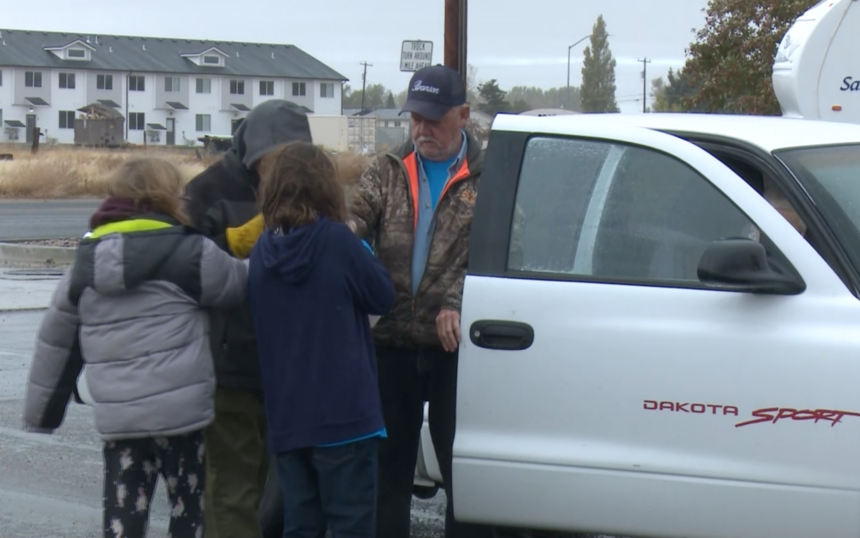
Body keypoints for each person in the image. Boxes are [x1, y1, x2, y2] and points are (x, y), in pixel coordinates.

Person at [22, 157, 249, 538]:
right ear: (170, 199)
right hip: (182, 420)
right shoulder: (193, 255)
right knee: (188, 515)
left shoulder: (86, 264)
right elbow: (240, 285)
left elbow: (56, 343)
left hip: (123, 424)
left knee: (123, 522)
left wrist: (41, 415)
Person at [347, 64, 494, 538]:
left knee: (462, 476)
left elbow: (501, 254)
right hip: (390, 343)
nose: (422, 128)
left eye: (434, 118)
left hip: (455, 351)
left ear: (464, 115)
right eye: (415, 117)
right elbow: (352, 224)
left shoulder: (488, 179)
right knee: (388, 476)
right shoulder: (387, 170)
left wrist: (457, 300)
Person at [246, 141, 395, 537]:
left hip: (289, 418)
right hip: (346, 419)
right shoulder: (338, 242)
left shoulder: (263, 251)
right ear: (327, 188)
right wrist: (361, 244)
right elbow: (383, 294)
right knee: (351, 525)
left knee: (301, 525)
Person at [183, 99, 313, 538]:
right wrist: (232, 244)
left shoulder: (308, 190)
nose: (276, 172)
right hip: (228, 363)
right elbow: (183, 268)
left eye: (287, 162)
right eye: (269, 162)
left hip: (286, 367)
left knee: (261, 489)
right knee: (231, 490)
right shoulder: (207, 191)